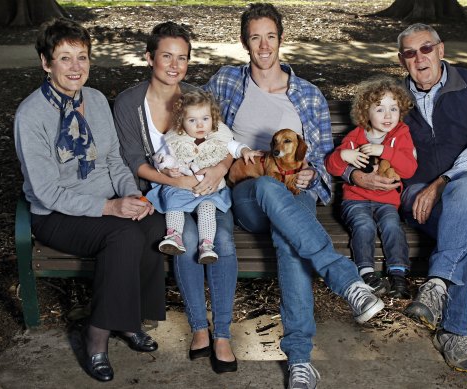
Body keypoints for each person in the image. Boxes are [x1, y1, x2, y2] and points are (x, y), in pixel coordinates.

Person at [204, 3, 385, 388]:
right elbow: (193, 122)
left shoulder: (307, 94)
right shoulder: (225, 82)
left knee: (289, 240)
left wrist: (310, 172)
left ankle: (300, 361)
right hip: (249, 194)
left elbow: (321, 157)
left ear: (281, 40)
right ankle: (346, 280)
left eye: (270, 36)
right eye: (255, 37)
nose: (264, 45)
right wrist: (221, 162)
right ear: (244, 42)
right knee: (269, 188)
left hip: (295, 192)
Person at [14, 18, 165, 383]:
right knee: (124, 235)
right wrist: (110, 207)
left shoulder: (96, 100)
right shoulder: (30, 115)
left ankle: (127, 320)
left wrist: (130, 193)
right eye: (64, 58)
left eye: (82, 57)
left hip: (105, 201)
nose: (75, 67)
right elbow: (46, 192)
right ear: (45, 63)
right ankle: (96, 335)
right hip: (56, 214)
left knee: (155, 222)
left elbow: (113, 159)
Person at [344, 23, 467, 372]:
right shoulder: (394, 98)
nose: (420, 58)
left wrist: (442, 181)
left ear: (440, 50)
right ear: (402, 60)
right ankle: (455, 331)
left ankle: (437, 282)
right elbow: (355, 143)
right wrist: (354, 172)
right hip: (416, 192)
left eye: (426, 48)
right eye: (410, 53)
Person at [113, 22, 239, 374]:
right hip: (165, 190)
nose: (174, 65)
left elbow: (225, 143)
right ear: (149, 57)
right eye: (166, 56)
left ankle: (224, 334)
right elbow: (134, 161)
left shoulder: (197, 97)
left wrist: (219, 170)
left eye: (181, 58)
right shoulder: (129, 104)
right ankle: (200, 327)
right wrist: (179, 182)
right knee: (185, 237)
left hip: (209, 185)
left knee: (223, 239)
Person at [325, 76, 417, 299]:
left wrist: (383, 152)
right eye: (380, 109)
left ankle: (398, 274)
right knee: (364, 225)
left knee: (392, 227)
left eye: (393, 109)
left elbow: (409, 169)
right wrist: (343, 154)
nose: (388, 116)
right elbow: (332, 167)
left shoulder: (401, 135)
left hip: (387, 202)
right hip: (355, 200)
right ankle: (366, 272)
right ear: (365, 112)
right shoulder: (355, 137)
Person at [146, 89, 260, 264]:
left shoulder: (219, 137)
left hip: (207, 190)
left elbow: (235, 147)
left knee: (208, 207)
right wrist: (167, 170)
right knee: (173, 205)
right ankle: (173, 236)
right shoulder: (175, 140)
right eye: (192, 120)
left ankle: (206, 245)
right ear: (181, 122)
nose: (200, 125)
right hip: (181, 188)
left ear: (213, 118)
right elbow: (160, 160)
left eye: (205, 119)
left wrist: (245, 151)